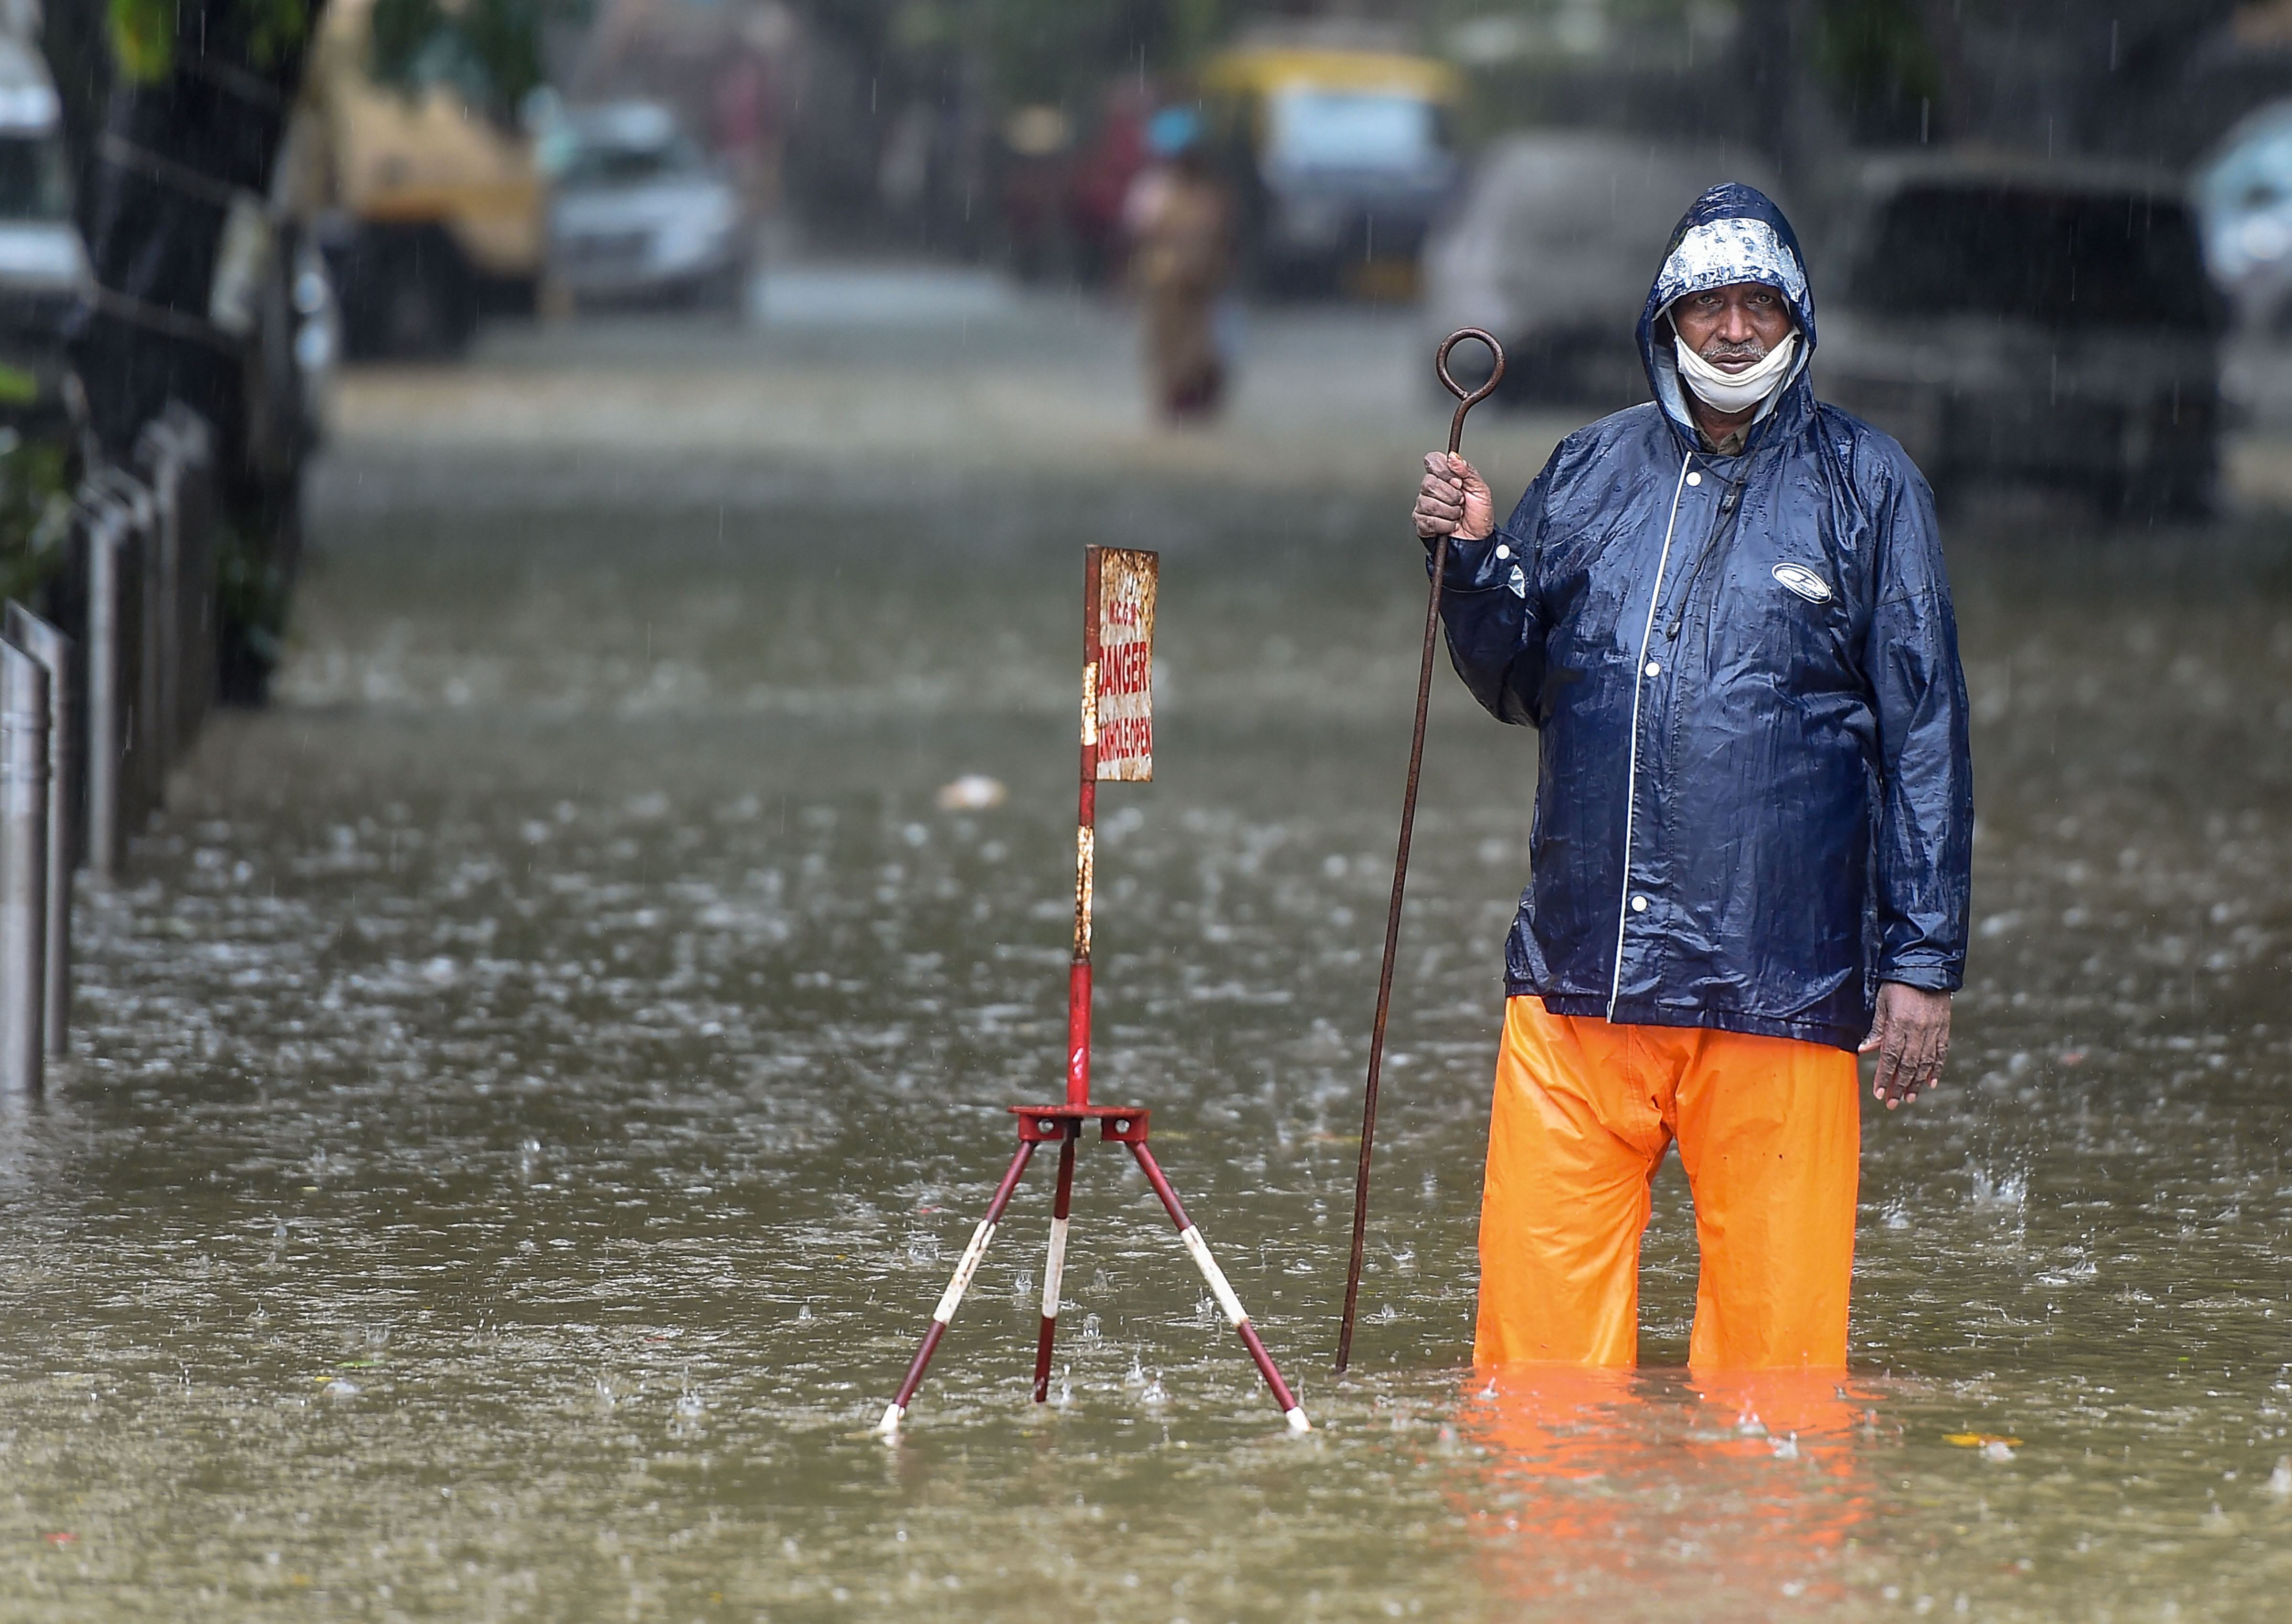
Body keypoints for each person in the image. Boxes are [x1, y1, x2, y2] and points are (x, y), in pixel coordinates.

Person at [1412, 183, 1972, 1370]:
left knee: (1778, 1394)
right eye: (1705, 304)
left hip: (1782, 988)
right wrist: (1469, 561)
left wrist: (1919, 961)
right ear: (1662, 319)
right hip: (1575, 984)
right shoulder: (1588, 469)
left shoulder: (1869, 487)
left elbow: (1922, 733)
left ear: (1796, 322)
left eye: (1755, 307)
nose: (1729, 331)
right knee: (1533, 1383)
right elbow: (1516, 679)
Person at [1123, 108, 1233, 421]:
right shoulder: (1154, 191)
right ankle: (1172, 409)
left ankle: (1193, 408)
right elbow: (1137, 237)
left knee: (1202, 353)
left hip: (1201, 282)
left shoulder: (1211, 193)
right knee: (1168, 350)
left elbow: (1225, 238)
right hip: (1165, 282)